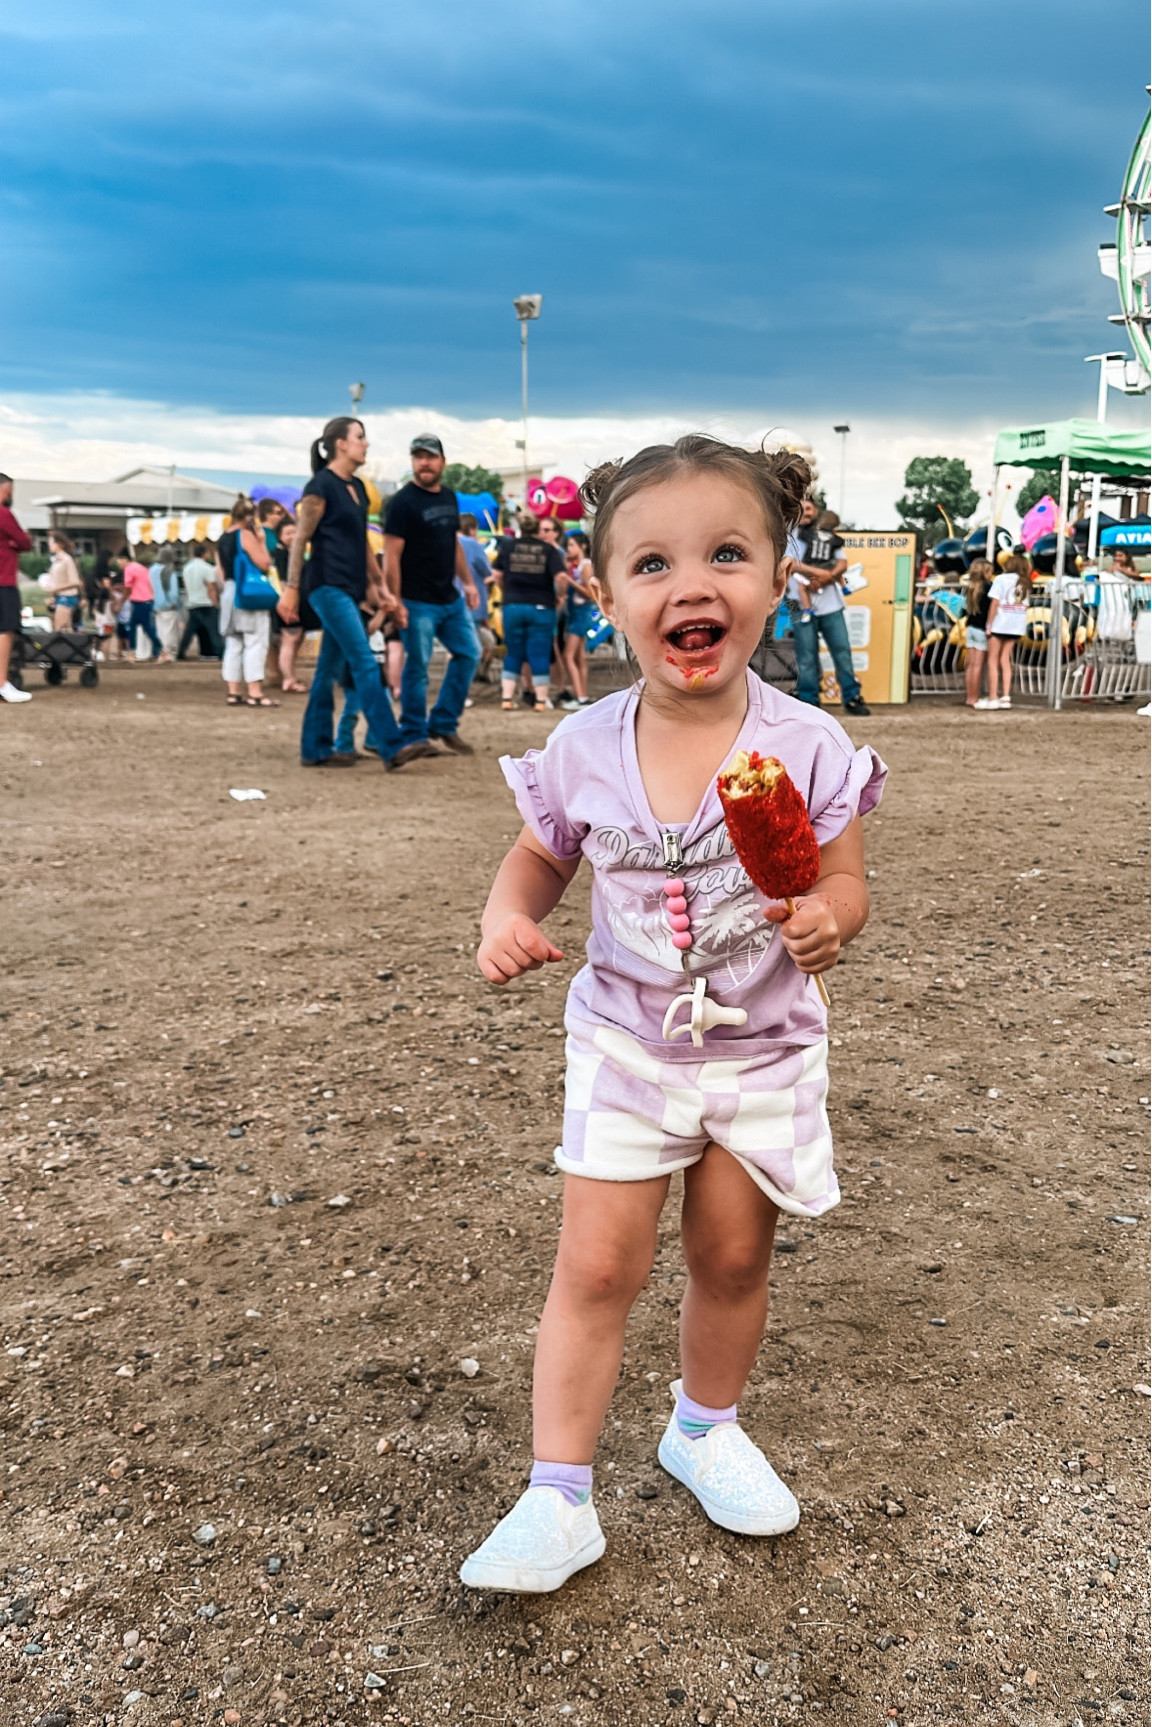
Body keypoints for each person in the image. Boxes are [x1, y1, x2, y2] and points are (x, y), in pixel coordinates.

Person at [460, 433, 885, 1594]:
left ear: (779, 574)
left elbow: (843, 881)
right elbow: (538, 860)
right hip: (626, 1036)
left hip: (764, 1040)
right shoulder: (582, 744)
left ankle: (703, 1425)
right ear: (602, 597)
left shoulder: (805, 743)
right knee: (597, 1263)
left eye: (728, 553)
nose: (692, 584)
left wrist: (828, 920)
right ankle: (558, 1494)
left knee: (732, 1252)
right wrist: (506, 917)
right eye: (651, 564)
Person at [279, 416, 420, 770]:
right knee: (363, 661)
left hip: (349, 586)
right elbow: (300, 540)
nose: (366, 443)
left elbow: (361, 545)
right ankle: (392, 745)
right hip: (326, 586)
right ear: (340, 444)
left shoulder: (356, 487)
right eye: (360, 437)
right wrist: (291, 589)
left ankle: (315, 748)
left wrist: (382, 589)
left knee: (328, 670)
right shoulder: (320, 486)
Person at [383, 434, 480, 754]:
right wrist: (394, 600)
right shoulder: (401, 503)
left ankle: (443, 723)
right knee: (417, 667)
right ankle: (414, 732)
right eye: (418, 457)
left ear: (442, 462)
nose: (424, 462)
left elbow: (451, 544)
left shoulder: (449, 498)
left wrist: (467, 582)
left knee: (469, 654)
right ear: (412, 462)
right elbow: (391, 556)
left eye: (430, 456)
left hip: (449, 598)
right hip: (415, 600)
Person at [791, 504, 870, 716]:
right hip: (800, 604)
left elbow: (843, 562)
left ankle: (852, 697)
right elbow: (790, 563)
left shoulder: (826, 535)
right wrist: (822, 574)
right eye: (801, 509)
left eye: (809, 509)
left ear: (816, 511)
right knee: (806, 656)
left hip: (831, 605)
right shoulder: (789, 536)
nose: (806, 513)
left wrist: (830, 575)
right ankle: (809, 700)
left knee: (842, 651)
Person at [492, 513, 566, 711]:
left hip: (513, 605)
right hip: (542, 606)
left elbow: (496, 574)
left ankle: (507, 698)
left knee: (513, 652)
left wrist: (506, 589)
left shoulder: (507, 547)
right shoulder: (549, 550)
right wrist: (560, 595)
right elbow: (560, 577)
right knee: (540, 652)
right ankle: (541, 701)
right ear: (537, 530)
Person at [217, 499, 278, 707]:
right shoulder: (245, 535)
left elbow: (220, 572)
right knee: (255, 642)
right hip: (248, 592)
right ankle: (255, 692)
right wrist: (261, 541)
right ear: (250, 517)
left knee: (233, 644)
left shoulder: (222, 538)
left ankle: (233, 692)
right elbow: (264, 563)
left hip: (229, 590)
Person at [978, 553, 1031, 710]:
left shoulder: (1001, 579)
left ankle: (993, 697)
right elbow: (1025, 605)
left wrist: (989, 624)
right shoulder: (1025, 582)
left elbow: (995, 603)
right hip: (1016, 625)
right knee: (1005, 660)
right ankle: (1006, 696)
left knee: (993, 660)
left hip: (1000, 624)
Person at [0, 473, 33, 703]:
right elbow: (25, 542)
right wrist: (13, 543)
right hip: (3, 580)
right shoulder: (3, 513)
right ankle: (2, 682)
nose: (8, 496)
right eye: (7, 491)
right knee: (6, 630)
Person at [559, 530, 597, 709]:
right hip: (577, 613)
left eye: (572, 545)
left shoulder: (585, 566)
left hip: (580, 615)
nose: (568, 548)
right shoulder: (579, 565)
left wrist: (570, 581)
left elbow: (591, 593)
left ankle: (580, 696)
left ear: (582, 546)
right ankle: (583, 695)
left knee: (568, 656)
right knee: (580, 657)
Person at [270, 516, 308, 693]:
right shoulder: (282, 555)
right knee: (289, 640)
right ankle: (289, 679)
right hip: (287, 603)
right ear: (279, 535)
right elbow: (285, 582)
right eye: (288, 533)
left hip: (292, 603)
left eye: (294, 532)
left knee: (293, 640)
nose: (292, 536)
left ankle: (289, 675)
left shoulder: (291, 554)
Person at [458, 513, 497, 682]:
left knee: (457, 645)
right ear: (472, 529)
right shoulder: (472, 545)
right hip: (472, 604)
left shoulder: (445, 542)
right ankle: (468, 680)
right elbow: (487, 572)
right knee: (476, 646)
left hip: (449, 601)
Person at [177, 541, 223, 659]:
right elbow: (211, 587)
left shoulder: (186, 568)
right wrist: (215, 602)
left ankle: (181, 651)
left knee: (190, 631)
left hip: (192, 602)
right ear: (204, 554)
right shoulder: (207, 568)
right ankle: (220, 652)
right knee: (213, 630)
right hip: (206, 603)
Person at [118, 547, 163, 661]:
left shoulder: (129, 569)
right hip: (147, 601)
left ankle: (156, 649)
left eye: (119, 560)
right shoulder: (141, 568)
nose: (118, 563)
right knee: (143, 627)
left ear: (124, 559)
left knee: (138, 627)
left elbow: (128, 588)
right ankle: (155, 651)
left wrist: (121, 602)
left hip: (139, 602)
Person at [962, 557, 993, 708]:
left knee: (971, 665)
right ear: (985, 572)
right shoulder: (988, 588)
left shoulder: (971, 588)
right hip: (982, 629)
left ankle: (969, 696)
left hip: (970, 628)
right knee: (978, 665)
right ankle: (975, 697)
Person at [45, 531, 83, 631]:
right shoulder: (55, 560)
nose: (50, 545)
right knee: (65, 629)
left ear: (59, 544)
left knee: (60, 629)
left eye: (52, 542)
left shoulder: (66, 559)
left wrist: (56, 588)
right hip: (59, 596)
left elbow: (75, 581)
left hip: (66, 597)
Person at [148, 546, 181, 661]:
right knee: (170, 631)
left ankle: (162, 652)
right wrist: (175, 602)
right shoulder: (170, 571)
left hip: (155, 604)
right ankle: (170, 654)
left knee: (161, 630)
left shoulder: (151, 570)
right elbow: (173, 591)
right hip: (169, 605)